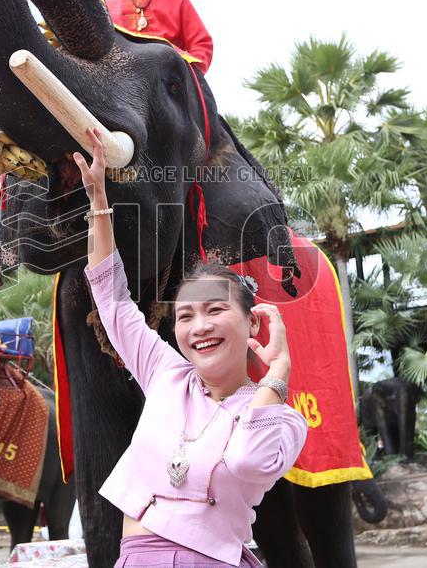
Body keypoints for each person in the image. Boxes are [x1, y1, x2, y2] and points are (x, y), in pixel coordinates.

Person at [73, 129, 306, 567]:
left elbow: (246, 461)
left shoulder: (279, 419)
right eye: (185, 316)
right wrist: (98, 201)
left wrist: (276, 373)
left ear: (253, 321)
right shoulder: (166, 373)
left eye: (214, 310)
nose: (199, 326)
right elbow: (111, 298)